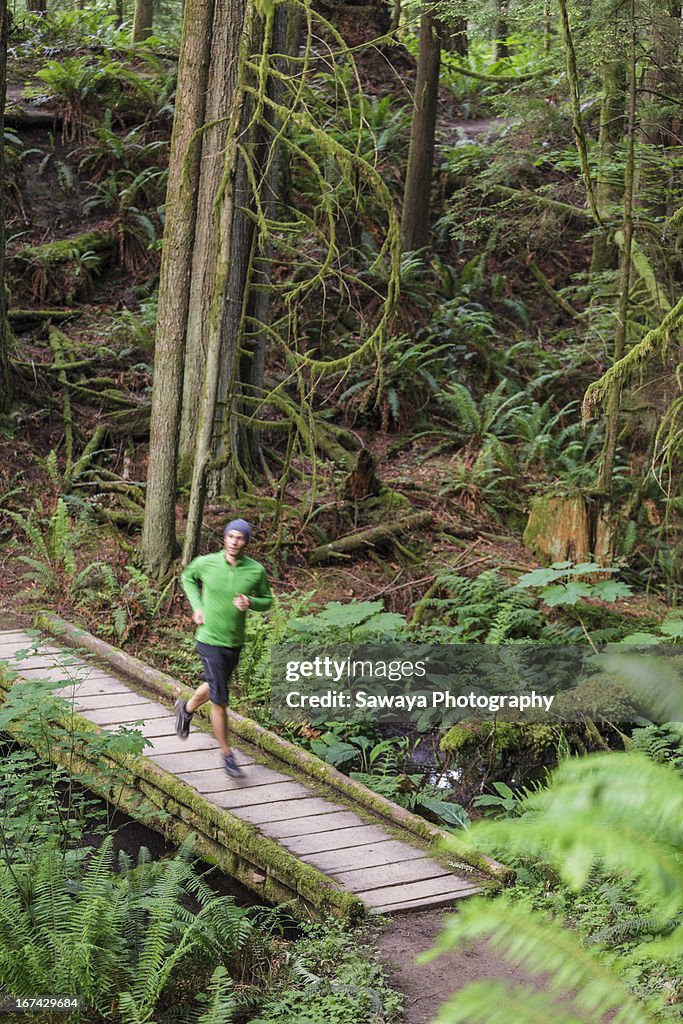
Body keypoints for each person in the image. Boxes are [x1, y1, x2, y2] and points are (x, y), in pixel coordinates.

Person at [175, 518, 273, 777]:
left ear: (246, 542)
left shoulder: (255, 571)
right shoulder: (207, 563)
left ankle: (185, 709)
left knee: (214, 684)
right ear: (224, 538)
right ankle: (227, 755)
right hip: (208, 639)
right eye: (231, 536)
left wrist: (250, 601)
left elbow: (267, 600)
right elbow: (187, 577)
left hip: (234, 641)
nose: (234, 541)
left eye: (240, 537)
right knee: (220, 699)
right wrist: (197, 605)